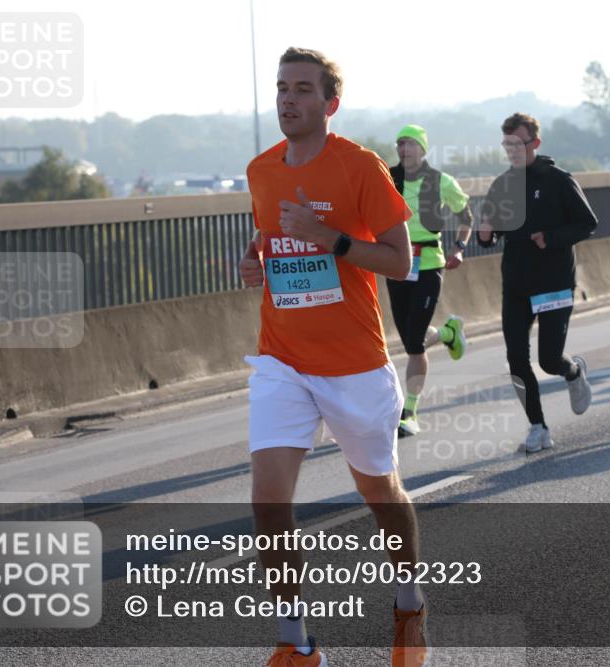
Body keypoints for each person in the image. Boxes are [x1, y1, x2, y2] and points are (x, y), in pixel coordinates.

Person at [238, 47, 429, 667]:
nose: (287, 100)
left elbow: (403, 262)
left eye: (301, 90)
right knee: (269, 503)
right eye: (281, 88)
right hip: (282, 360)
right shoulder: (261, 171)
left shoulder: (360, 168)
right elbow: (270, 239)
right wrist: (255, 262)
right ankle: (296, 645)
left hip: (354, 366)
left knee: (382, 495)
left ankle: (408, 604)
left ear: (329, 104)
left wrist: (334, 240)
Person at [477, 112, 597, 453]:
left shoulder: (558, 179)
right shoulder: (502, 185)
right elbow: (491, 231)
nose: (512, 150)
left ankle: (572, 372)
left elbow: (587, 223)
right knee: (516, 360)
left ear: (535, 143)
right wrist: (485, 234)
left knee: (547, 361)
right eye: (507, 144)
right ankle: (538, 427)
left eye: (518, 143)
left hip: (554, 283)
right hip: (516, 285)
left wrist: (553, 237)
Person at [386, 124, 474, 437]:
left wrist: (460, 248)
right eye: (400, 144)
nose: (404, 150)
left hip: (429, 264)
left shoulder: (440, 181)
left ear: (423, 149)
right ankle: (449, 333)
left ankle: (409, 413)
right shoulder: (388, 178)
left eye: (409, 144)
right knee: (411, 335)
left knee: (413, 344)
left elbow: (467, 217)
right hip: (397, 264)